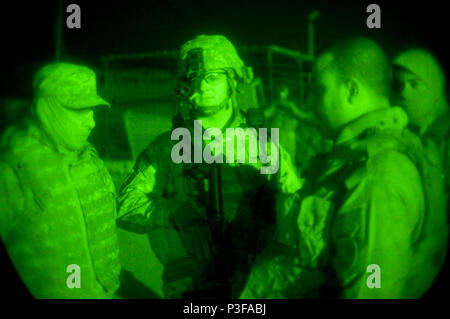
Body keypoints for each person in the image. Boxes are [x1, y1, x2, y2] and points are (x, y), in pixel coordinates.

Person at [116, 34, 302, 298]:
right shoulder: (168, 148)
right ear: (184, 86)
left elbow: (296, 206)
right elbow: (125, 205)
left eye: (213, 77)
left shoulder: (262, 144)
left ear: (232, 81)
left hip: (256, 285)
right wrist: (175, 212)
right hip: (190, 288)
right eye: (195, 79)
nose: (204, 87)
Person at [293, 37, 448, 298]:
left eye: (318, 90)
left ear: (351, 91)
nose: (309, 102)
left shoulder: (378, 176)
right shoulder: (357, 155)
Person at [0, 62, 121, 298]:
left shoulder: (88, 158)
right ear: (47, 108)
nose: (92, 123)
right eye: (79, 110)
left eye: (92, 110)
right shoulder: (12, 171)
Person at [392, 49, 450, 199]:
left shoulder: (445, 135)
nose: (404, 92)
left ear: (434, 85)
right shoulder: (400, 128)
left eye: (414, 84)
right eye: (398, 85)